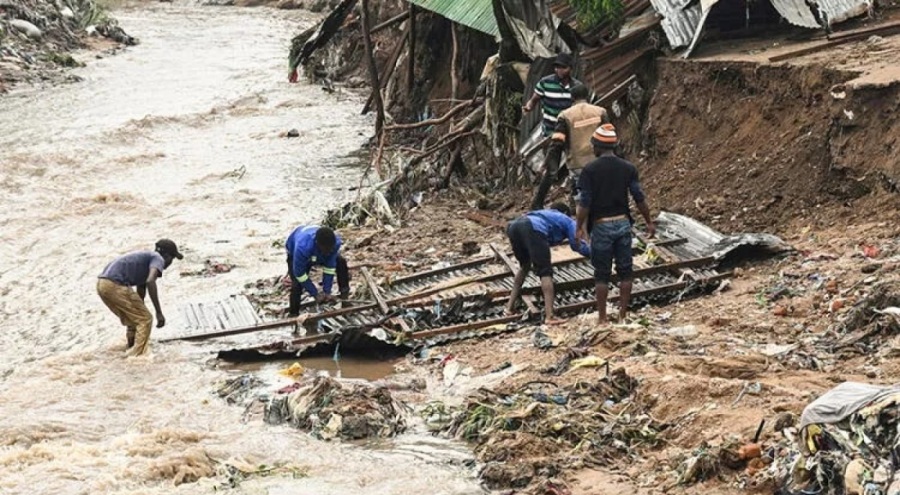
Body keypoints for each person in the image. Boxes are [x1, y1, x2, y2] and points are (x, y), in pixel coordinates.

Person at [576, 123, 655, 325]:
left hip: (601, 226)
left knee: (602, 275)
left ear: (598, 146)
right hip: (622, 224)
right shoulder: (628, 168)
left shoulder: (589, 170)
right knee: (625, 272)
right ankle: (622, 316)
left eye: (593, 145)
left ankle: (602, 318)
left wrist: (579, 226)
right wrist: (649, 221)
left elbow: (584, 202)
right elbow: (639, 197)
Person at [504, 203, 591, 325]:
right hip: (533, 228)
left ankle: (509, 308)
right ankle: (550, 316)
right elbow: (576, 244)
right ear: (566, 213)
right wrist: (594, 253)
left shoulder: (544, 214)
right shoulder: (566, 219)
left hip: (514, 227)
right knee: (545, 272)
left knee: (525, 266)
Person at [97, 239, 183, 356]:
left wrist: (140, 305)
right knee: (145, 319)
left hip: (103, 285)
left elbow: (141, 287)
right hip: (116, 284)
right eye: (172, 259)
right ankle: (137, 357)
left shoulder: (145, 259)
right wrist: (158, 312)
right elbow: (150, 281)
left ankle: (130, 348)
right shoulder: (157, 258)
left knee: (134, 319)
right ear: (167, 256)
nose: (169, 263)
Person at [531, 83, 608, 210]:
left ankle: (582, 224)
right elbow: (609, 136)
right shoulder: (600, 111)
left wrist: (547, 164)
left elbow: (557, 143)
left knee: (582, 197)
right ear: (587, 95)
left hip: (577, 163)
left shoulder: (565, 116)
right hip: (599, 161)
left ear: (571, 98)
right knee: (602, 193)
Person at [285, 225, 350, 317]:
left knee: (341, 262)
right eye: (326, 250)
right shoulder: (302, 247)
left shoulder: (335, 244)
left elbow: (330, 268)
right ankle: (293, 314)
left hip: (317, 253)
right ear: (317, 244)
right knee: (297, 285)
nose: (329, 252)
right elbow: (300, 274)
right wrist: (315, 293)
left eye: (330, 249)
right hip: (297, 252)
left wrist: (327, 291)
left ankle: (345, 298)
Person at [522, 53, 581, 137]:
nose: (559, 70)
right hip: (550, 133)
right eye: (557, 67)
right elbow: (533, 100)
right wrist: (528, 107)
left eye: (563, 67)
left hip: (569, 133)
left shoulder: (577, 87)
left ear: (570, 68)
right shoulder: (545, 83)